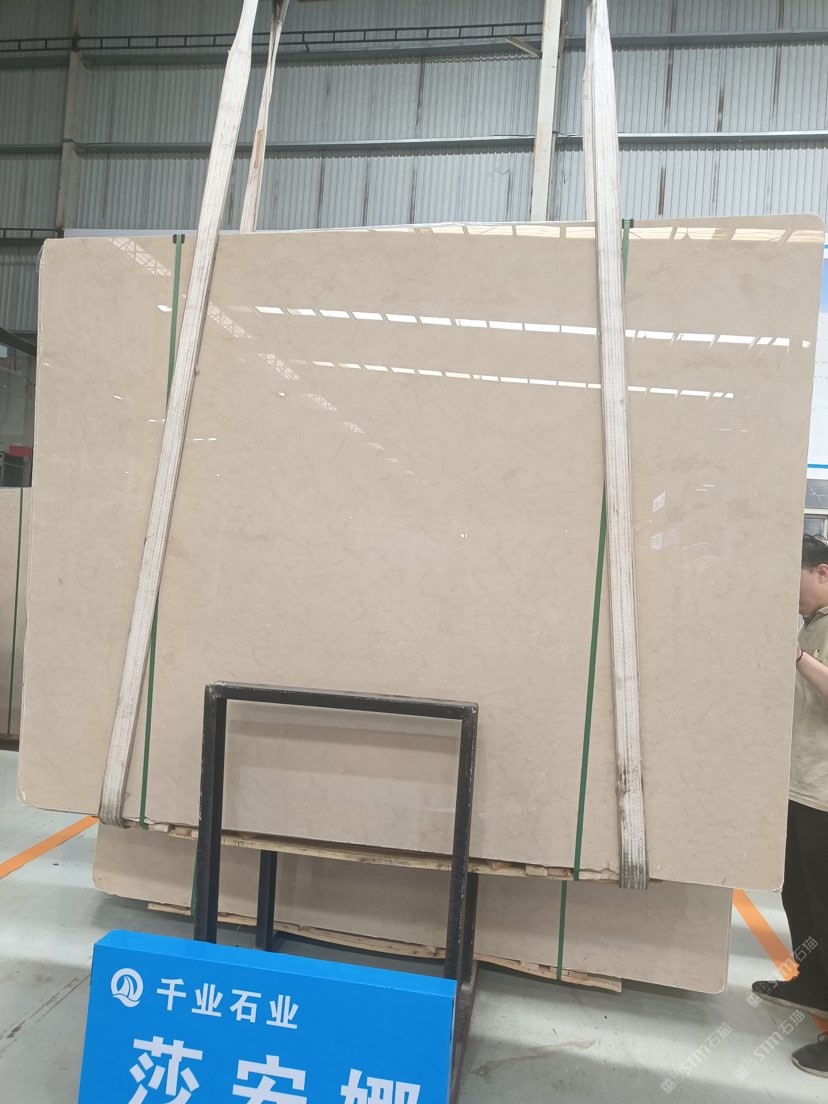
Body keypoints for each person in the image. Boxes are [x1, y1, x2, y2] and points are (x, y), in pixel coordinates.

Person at [752, 533, 828, 1076]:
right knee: (798, 896)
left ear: (822, 571)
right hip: (800, 787)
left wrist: (798, 658)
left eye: (795, 581)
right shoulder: (812, 622)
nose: (790, 595)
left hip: (826, 795)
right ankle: (814, 982)